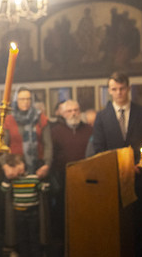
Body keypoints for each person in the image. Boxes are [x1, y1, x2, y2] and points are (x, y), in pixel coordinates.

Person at [90, 71, 142, 257]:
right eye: (114, 89)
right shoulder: (102, 117)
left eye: (121, 88)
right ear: (109, 91)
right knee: (116, 226)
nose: (118, 92)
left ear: (128, 89)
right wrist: (122, 166)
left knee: (140, 226)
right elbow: (99, 148)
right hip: (113, 180)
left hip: (140, 178)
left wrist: (138, 164)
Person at [49, 99, 92, 256]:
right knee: (64, 219)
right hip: (64, 182)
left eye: (76, 110)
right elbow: (51, 157)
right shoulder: (56, 132)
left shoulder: (90, 130)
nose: (74, 113)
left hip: (87, 181)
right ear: (62, 113)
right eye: (69, 111)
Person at [1, 153, 50, 257]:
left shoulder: (33, 177)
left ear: (24, 163)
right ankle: (24, 254)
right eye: (15, 166)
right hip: (19, 213)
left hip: (33, 212)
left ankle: (36, 254)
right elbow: (4, 188)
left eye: (20, 163)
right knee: (21, 237)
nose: (19, 167)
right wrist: (8, 178)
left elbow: (44, 188)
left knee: (34, 236)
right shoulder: (14, 180)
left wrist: (44, 179)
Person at [2, 87, 52, 179]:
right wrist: (5, 166)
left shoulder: (41, 118)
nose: (25, 102)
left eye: (28, 99)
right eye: (22, 99)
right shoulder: (8, 120)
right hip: (15, 166)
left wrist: (47, 165)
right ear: (16, 100)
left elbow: (48, 144)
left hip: (38, 165)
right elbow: (2, 145)